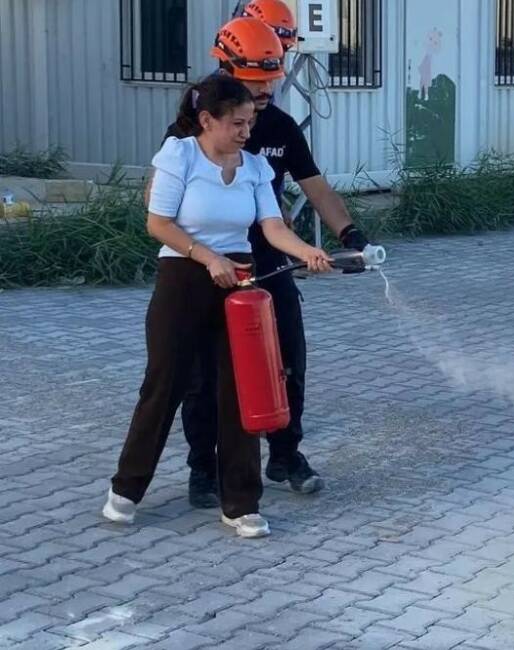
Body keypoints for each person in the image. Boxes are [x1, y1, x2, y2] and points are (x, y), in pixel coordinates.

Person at [103, 74, 333, 538]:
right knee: (164, 386)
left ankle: (241, 503)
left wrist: (304, 250)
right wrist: (208, 257)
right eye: (237, 123)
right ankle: (126, 490)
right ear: (207, 120)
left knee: (241, 391)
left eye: (250, 123)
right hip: (183, 278)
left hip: (239, 284)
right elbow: (158, 223)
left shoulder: (254, 168)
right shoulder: (180, 155)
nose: (247, 132)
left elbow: (271, 227)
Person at [174, 11, 374, 508]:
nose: (265, 89)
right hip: (209, 268)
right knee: (203, 375)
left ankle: (285, 454)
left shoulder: (283, 126)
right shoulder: (187, 133)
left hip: (270, 261)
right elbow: (162, 209)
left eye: (271, 77)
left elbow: (316, 187)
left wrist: (349, 232)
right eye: (254, 79)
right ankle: (204, 469)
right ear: (225, 70)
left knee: (288, 359)